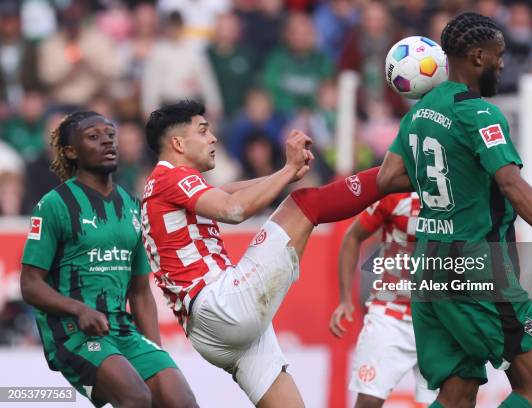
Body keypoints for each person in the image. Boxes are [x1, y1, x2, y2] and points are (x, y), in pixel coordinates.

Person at [376, 12, 532, 408]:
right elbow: (511, 185)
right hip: (476, 267)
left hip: (428, 264)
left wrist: (448, 170)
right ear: (478, 57)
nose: (502, 64)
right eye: (499, 56)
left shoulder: (419, 113)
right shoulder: (479, 113)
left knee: (457, 394)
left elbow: (387, 178)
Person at [141, 100, 410, 407]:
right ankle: (399, 176)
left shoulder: (164, 185)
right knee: (304, 205)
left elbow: (231, 193)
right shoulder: (171, 177)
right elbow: (234, 209)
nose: (213, 138)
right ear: (177, 142)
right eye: (203, 131)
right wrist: (290, 171)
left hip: (209, 332)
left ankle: (398, 177)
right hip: (221, 304)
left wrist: (286, 172)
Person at [20, 111, 198, 408]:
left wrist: (154, 351)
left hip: (121, 330)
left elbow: (140, 292)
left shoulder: (132, 206)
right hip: (73, 332)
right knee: (135, 397)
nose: (107, 141)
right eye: (94, 136)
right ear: (71, 151)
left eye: (110, 135)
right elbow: (29, 285)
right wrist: (79, 310)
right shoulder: (54, 205)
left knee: (179, 400)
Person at [329, 192, 438, 407]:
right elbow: (353, 236)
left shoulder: (460, 190)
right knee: (369, 399)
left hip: (441, 317)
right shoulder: (397, 193)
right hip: (391, 313)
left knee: (446, 402)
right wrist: (345, 299)